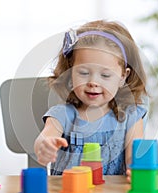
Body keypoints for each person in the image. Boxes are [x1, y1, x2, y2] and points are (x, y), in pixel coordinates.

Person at [34, 20, 147, 182]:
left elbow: (134, 160)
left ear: (123, 76)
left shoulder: (131, 116)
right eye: (84, 72)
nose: (93, 82)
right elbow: (45, 137)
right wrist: (45, 146)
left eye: (105, 75)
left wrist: (137, 170)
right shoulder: (62, 114)